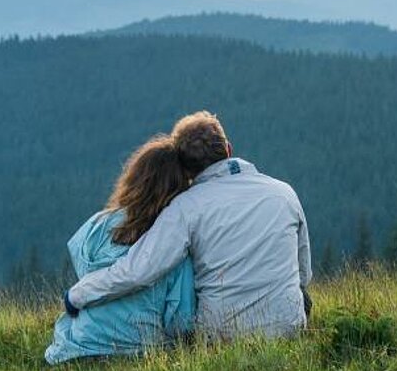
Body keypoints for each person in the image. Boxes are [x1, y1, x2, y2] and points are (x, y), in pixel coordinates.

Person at [64, 111, 311, 340]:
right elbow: (303, 274)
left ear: (184, 167)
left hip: (221, 337)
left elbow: (137, 271)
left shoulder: (185, 208)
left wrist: (78, 295)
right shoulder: (284, 193)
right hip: (289, 328)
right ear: (228, 149)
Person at [45, 136, 196, 364]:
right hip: (138, 350)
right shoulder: (172, 245)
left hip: (78, 346)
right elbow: (181, 322)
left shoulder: (97, 226)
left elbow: (83, 265)